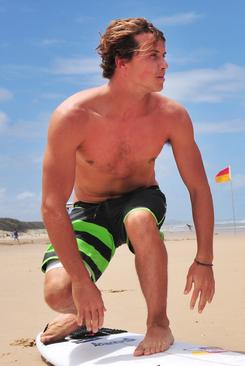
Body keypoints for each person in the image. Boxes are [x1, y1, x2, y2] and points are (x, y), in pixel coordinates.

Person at [39, 18, 215, 357]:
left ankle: (158, 323)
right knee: (58, 293)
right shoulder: (73, 116)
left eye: (164, 54)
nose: (165, 64)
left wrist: (204, 260)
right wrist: (81, 282)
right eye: (153, 55)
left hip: (141, 199)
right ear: (122, 61)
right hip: (90, 210)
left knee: (139, 220)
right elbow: (51, 206)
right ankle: (78, 316)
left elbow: (198, 187)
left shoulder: (172, 115)